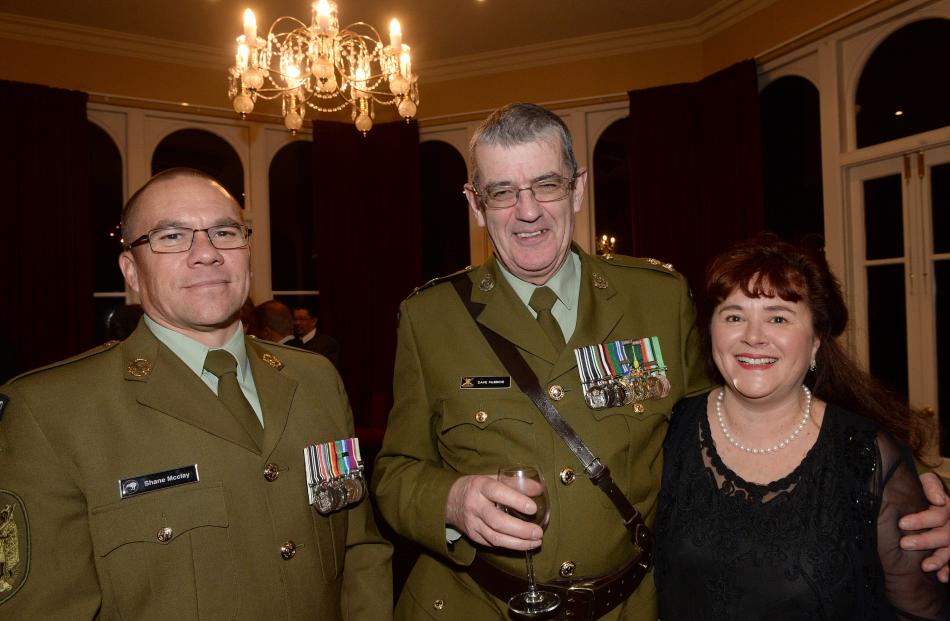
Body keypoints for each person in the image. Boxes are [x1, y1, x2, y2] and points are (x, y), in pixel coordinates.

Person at [372, 103, 950, 621]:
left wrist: (892, 489)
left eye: (545, 185)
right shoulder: (430, 318)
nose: (527, 211)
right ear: (476, 205)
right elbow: (395, 468)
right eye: (502, 191)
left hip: (630, 606)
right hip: (475, 603)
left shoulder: (658, 296)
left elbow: (738, 414)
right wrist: (448, 501)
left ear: (577, 190)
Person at [0, 168, 392, 619]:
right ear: (131, 269)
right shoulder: (51, 412)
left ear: (247, 252)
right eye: (171, 236)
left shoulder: (315, 378)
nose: (206, 254)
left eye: (224, 232)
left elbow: (360, 549)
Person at [656, 234, 948, 619]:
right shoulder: (669, 430)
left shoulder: (866, 456)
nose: (753, 337)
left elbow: (920, 612)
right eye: (733, 316)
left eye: (778, 317)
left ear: (815, 341)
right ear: (711, 331)